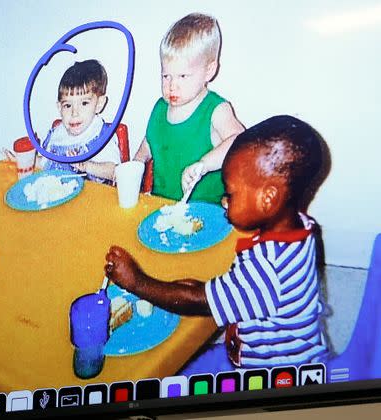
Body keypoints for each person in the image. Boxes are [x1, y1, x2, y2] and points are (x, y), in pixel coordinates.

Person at [105, 115, 329, 370]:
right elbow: (240, 292)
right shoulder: (301, 226)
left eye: (230, 194)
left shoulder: (266, 270)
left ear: (267, 199)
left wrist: (136, 282)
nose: (224, 201)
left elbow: (197, 301)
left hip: (274, 376)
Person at [134, 13, 244, 203]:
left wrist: (204, 164)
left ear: (209, 71)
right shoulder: (160, 108)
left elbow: (240, 140)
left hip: (206, 214)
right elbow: (150, 143)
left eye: (183, 76)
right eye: (166, 76)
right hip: (162, 207)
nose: (172, 86)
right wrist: (136, 163)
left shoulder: (216, 109)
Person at [4, 59, 121, 184]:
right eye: (68, 106)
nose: (74, 113)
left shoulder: (101, 135)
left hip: (93, 201)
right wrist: (24, 160)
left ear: (99, 104)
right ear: (59, 108)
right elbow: (46, 164)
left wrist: (87, 166)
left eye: (84, 103)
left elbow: (115, 172)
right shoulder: (57, 134)